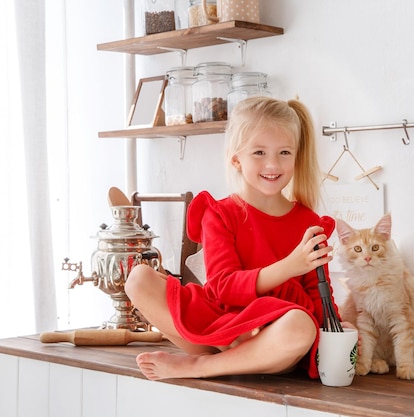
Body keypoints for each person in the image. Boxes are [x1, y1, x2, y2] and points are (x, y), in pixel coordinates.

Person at [125, 96, 347, 381]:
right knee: (138, 278)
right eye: (258, 152)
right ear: (236, 159)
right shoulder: (219, 214)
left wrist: (338, 329)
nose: (272, 164)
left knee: (301, 326)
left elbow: (320, 293)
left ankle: (200, 366)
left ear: (296, 156)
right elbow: (222, 288)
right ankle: (234, 356)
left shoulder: (308, 222)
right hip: (220, 325)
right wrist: (290, 266)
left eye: (284, 153)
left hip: (273, 331)